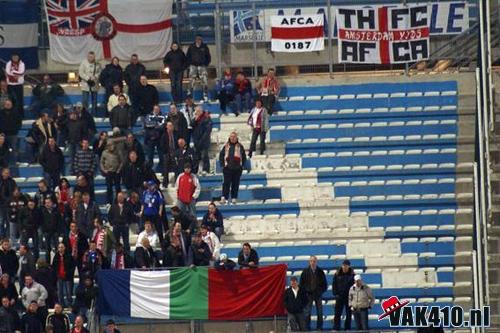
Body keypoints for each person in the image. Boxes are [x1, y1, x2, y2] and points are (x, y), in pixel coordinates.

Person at [299, 255, 327, 331]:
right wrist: (305, 291)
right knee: (307, 312)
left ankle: (319, 328)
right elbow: (301, 284)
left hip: (318, 294)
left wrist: (320, 291)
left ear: (316, 262)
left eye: (314, 261)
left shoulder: (320, 272)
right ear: (309, 262)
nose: (313, 262)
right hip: (308, 295)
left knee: (320, 312)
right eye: (311, 261)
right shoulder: (305, 272)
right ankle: (307, 328)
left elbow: (325, 284)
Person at [219, 132, 247, 204]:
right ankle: (224, 197)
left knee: (235, 184)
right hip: (227, 168)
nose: (232, 138)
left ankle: (234, 197)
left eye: (234, 137)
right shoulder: (226, 146)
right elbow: (221, 156)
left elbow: (243, 157)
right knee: (226, 184)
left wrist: (242, 166)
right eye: (231, 137)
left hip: (237, 169)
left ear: (236, 138)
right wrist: (223, 165)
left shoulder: (240, 146)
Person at [333, 259, 355, 331]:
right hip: (339, 296)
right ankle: (336, 328)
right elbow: (334, 284)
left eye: (346, 266)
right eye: (343, 265)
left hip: (349, 297)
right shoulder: (337, 274)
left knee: (348, 314)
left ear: (349, 266)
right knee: (337, 314)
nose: (344, 267)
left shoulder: (352, 274)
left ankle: (347, 328)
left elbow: (354, 286)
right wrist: (336, 294)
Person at [186, 35, 211, 100]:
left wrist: (206, 64)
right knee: (191, 80)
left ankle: (205, 94)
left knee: (204, 80)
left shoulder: (204, 47)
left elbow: (208, 56)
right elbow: (187, 56)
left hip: (202, 66)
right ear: (195, 39)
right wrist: (190, 63)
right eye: (197, 39)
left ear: (201, 40)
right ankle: (189, 94)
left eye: (200, 39)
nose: (198, 40)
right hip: (193, 66)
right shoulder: (191, 46)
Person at [52, 243, 74, 308]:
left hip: (67, 277)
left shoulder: (69, 256)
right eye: (59, 247)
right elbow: (54, 266)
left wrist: (69, 273)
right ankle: (61, 305)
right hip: (59, 277)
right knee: (60, 293)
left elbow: (72, 266)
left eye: (62, 247)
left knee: (68, 293)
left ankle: (69, 304)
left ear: (64, 248)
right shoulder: (56, 256)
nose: (60, 249)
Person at [40, 197, 62, 262]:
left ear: (52, 203)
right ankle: (48, 264)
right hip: (46, 232)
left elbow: (59, 222)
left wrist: (58, 231)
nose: (47, 204)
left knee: (57, 248)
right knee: (47, 249)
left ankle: (58, 262)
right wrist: (44, 230)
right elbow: (41, 222)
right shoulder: (42, 212)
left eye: (48, 202)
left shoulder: (56, 211)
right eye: (46, 203)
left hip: (55, 232)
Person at [144, 105, 165, 170]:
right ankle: (149, 170)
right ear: (153, 110)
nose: (156, 111)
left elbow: (163, 126)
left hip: (159, 139)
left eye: (158, 109)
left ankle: (162, 170)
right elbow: (147, 124)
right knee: (150, 156)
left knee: (161, 156)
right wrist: (157, 124)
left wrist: (154, 125)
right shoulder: (148, 116)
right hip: (150, 138)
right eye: (155, 109)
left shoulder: (163, 116)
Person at [192, 106, 212, 175]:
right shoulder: (195, 118)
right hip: (196, 141)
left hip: (204, 141)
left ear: (201, 111)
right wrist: (195, 119)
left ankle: (206, 170)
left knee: (204, 156)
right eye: (195, 111)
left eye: (197, 111)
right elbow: (191, 126)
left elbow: (207, 130)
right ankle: (195, 170)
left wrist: (202, 140)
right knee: (196, 156)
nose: (196, 113)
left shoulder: (206, 117)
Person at [160, 121, 178, 188]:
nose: (170, 127)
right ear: (166, 127)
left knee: (177, 167)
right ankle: (165, 183)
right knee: (165, 168)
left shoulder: (176, 134)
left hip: (175, 153)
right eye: (169, 126)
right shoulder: (164, 135)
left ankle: (177, 182)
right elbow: (162, 145)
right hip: (167, 153)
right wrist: (168, 152)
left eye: (171, 126)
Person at [0, 169, 16, 238]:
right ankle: (1, 237)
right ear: (2, 173)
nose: (7, 174)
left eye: (8, 173)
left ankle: (7, 237)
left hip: (9, 205)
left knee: (9, 222)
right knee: (1, 222)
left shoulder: (12, 182)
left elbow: (15, 192)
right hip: (1, 205)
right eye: (6, 173)